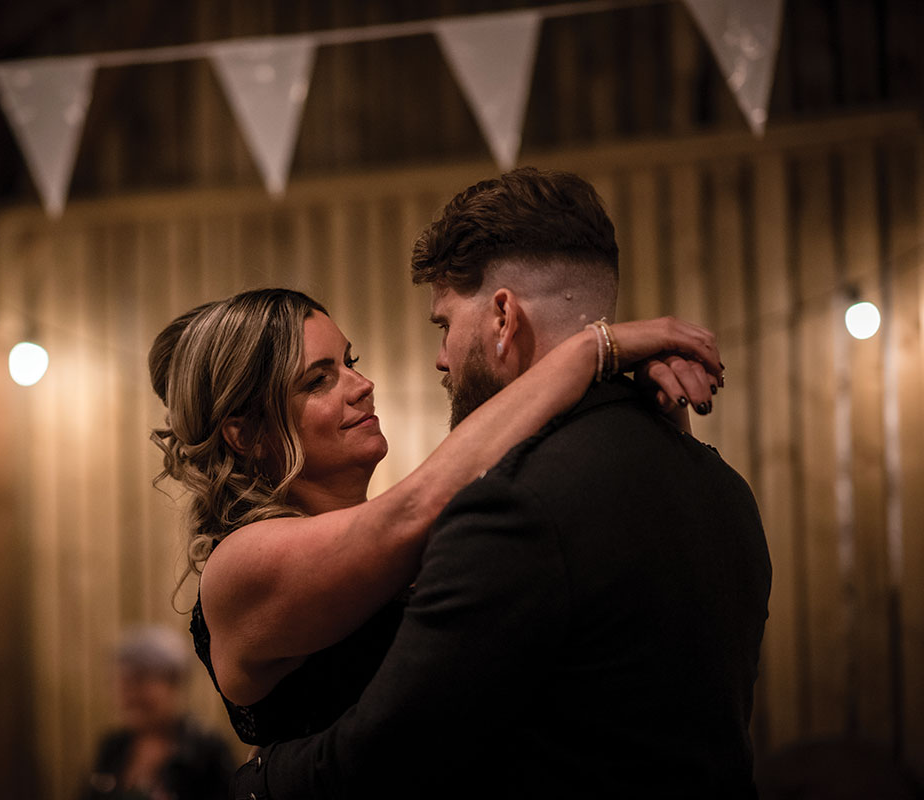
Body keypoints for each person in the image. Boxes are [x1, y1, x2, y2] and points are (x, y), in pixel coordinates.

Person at [229, 167, 772, 798]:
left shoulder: (516, 507)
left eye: (443, 325)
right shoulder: (723, 487)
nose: (440, 357)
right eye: (318, 378)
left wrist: (252, 783)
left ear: (503, 317)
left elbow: (390, 754)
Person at [151, 260, 719, 748]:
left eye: (350, 360)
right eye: (318, 380)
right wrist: (594, 348)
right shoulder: (239, 565)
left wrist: (659, 409)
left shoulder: (403, 532)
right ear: (245, 434)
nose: (361, 383)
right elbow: (416, 506)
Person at [78, 624, 234, 800]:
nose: (128, 694)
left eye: (140, 680)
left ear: (175, 682)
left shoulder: (206, 750)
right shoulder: (113, 746)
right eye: (122, 682)